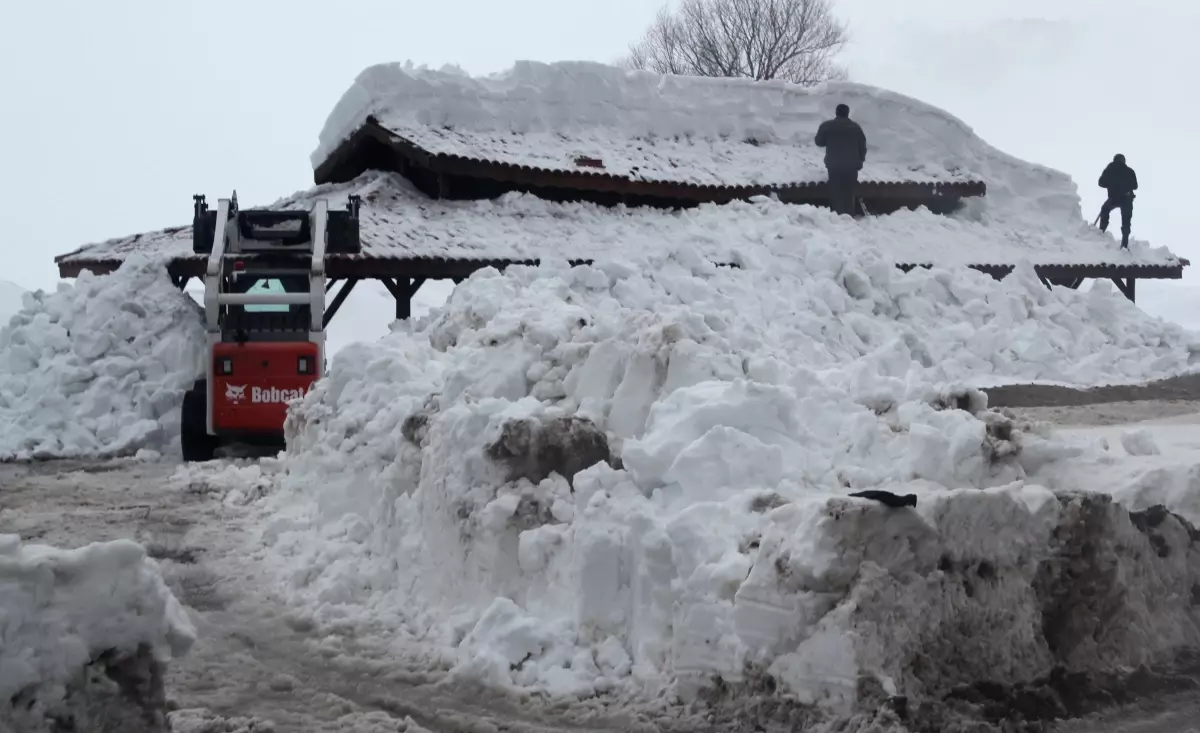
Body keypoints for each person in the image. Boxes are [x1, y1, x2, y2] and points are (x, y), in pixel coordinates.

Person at [814, 103, 867, 216]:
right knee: (849, 192)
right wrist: (860, 161)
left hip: (834, 165)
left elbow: (819, 142)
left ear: (836, 112)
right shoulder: (856, 127)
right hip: (852, 166)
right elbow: (862, 146)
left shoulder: (827, 125)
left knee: (836, 192)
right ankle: (849, 216)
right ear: (848, 113)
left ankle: (837, 217)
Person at [1097, 153, 1138, 248]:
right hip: (1126, 198)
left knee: (1105, 210)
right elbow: (1135, 186)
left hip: (1114, 198)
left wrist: (1111, 184)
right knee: (1126, 221)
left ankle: (1101, 232)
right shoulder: (1129, 171)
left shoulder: (1110, 169)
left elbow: (1101, 182)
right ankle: (1124, 244)